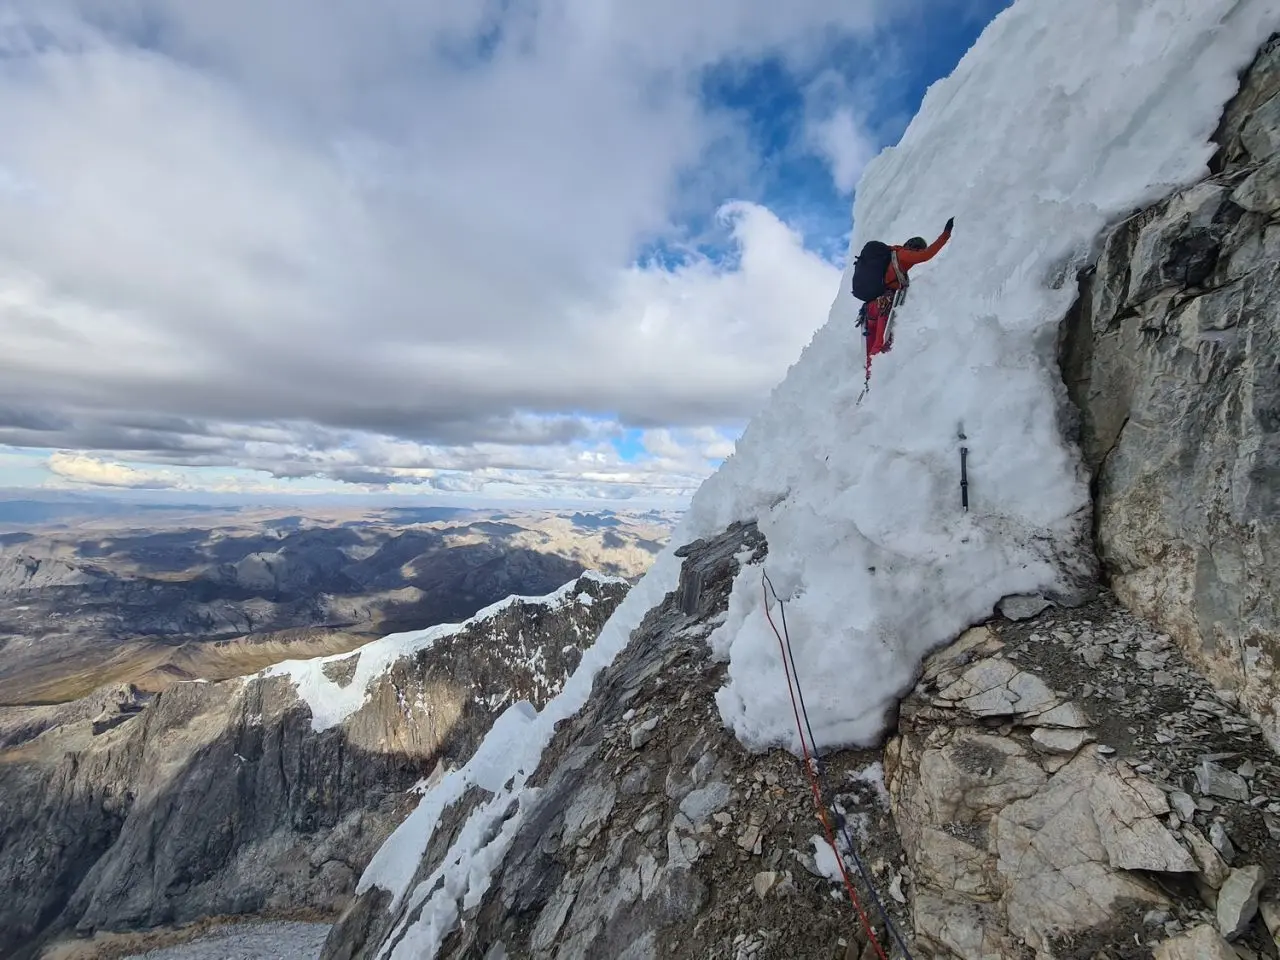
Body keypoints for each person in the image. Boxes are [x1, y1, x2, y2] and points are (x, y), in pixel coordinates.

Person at [861, 217, 953, 359]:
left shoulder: (893, 257)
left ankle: (868, 378)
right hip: (883, 306)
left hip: (869, 310)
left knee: (872, 349)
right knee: (881, 344)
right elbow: (925, 255)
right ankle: (873, 377)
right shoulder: (902, 255)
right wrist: (945, 234)